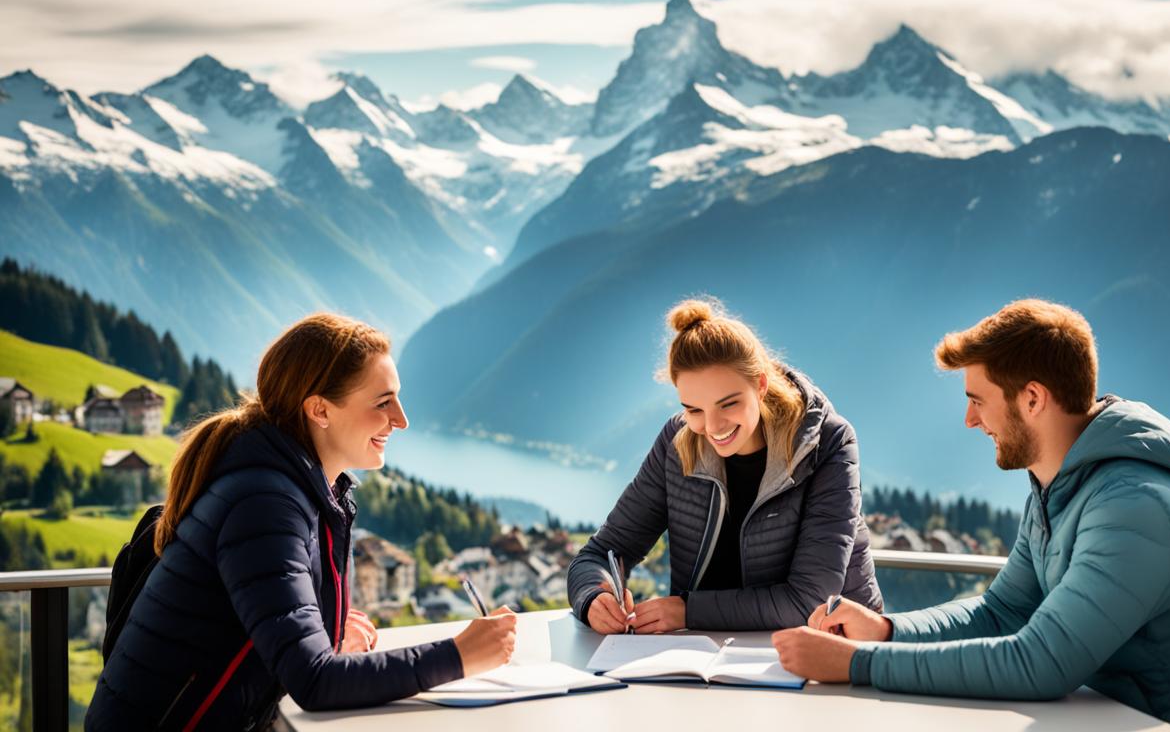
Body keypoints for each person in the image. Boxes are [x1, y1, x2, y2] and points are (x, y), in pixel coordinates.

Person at [772, 299, 1170, 731]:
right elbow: (1002, 612)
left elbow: (1041, 663)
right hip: (1098, 715)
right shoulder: (1059, 486)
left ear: (1033, 399)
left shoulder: (1135, 506)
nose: (970, 421)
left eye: (978, 401)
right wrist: (888, 632)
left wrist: (859, 663)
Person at [87, 314, 516, 731]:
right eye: (383, 402)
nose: (401, 419)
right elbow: (315, 682)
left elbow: (262, 623)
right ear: (319, 410)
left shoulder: (278, 485)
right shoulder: (265, 504)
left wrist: (323, 632)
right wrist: (460, 654)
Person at [567, 298, 881, 634]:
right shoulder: (677, 443)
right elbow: (600, 553)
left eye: (727, 404)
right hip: (708, 656)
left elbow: (810, 601)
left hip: (837, 650)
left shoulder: (828, 442)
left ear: (759, 385)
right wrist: (594, 596)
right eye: (694, 410)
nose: (713, 427)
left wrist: (687, 612)